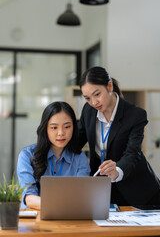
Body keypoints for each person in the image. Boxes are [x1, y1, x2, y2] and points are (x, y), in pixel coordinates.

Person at [78, 66, 160, 206]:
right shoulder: (88, 111)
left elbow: (133, 152)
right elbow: (76, 141)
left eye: (97, 94)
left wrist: (117, 170)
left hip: (138, 190)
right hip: (103, 189)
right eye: (87, 98)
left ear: (109, 86)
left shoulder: (135, 114)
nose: (93, 102)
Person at [17, 101, 90, 209]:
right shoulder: (27, 155)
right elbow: (29, 198)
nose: (61, 133)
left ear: (73, 127)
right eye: (54, 127)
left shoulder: (79, 158)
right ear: (45, 129)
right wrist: (59, 206)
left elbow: (80, 196)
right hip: (36, 218)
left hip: (69, 220)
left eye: (67, 127)